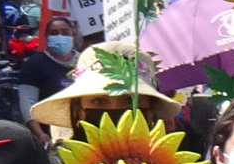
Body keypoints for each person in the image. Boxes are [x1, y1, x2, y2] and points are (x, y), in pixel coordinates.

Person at [26, 42, 180, 137]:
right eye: (98, 101)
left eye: (129, 100)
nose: (115, 111)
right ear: (79, 109)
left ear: (151, 108)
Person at [17, 16, 80, 99]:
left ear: (73, 34)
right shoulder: (33, 65)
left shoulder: (86, 61)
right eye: (54, 33)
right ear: (46, 36)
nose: (60, 36)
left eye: (65, 32)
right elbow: (28, 104)